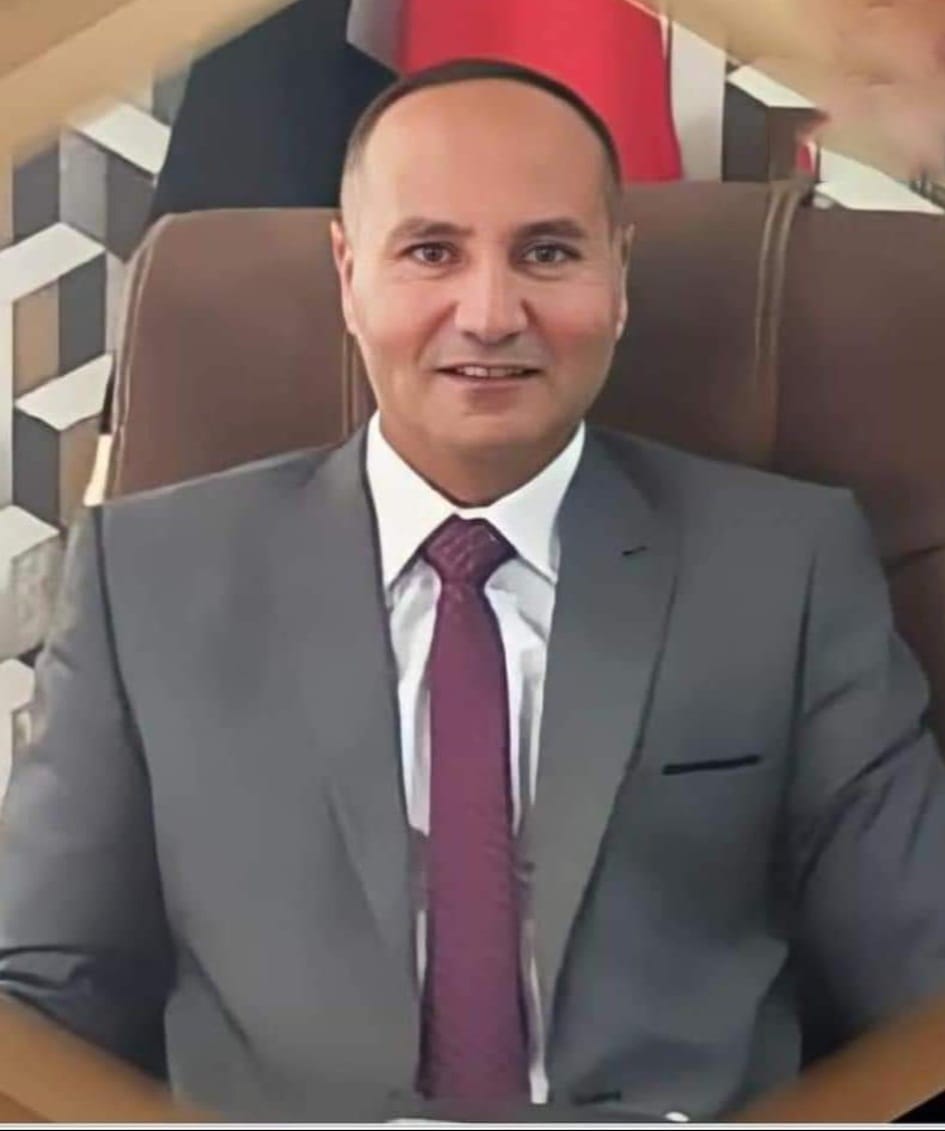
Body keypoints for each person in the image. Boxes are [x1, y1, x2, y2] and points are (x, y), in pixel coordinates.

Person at [2, 57, 945, 1124]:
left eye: (547, 252)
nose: (491, 313)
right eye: (431, 252)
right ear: (348, 273)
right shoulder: (148, 580)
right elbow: (45, 1003)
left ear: (618, 275)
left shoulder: (784, 567)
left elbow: (922, 991)